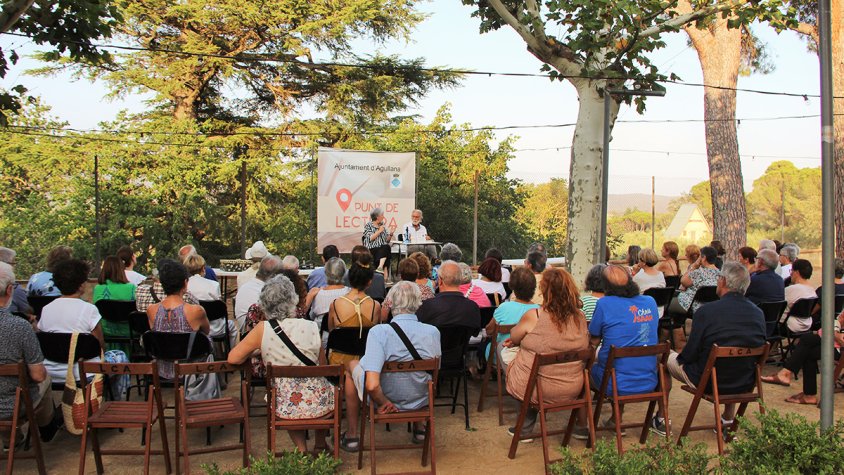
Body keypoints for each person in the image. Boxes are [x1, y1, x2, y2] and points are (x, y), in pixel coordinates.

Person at [228, 275, 333, 454]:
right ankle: (321, 444)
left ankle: (301, 450)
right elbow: (322, 366)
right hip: (319, 402)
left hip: (285, 403)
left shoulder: (263, 328)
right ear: (293, 299)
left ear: (265, 303)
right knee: (324, 384)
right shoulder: (310, 327)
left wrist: (258, 349)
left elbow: (233, 358)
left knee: (287, 392)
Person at [664, 262, 765, 437]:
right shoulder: (758, 313)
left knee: (665, 357)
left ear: (723, 281)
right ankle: (727, 418)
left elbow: (690, 354)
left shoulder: (706, 311)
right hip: (745, 382)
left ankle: (659, 417)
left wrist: (676, 357)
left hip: (708, 380)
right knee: (731, 358)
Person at [339, 281, 441, 452]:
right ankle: (420, 428)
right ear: (418, 303)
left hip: (388, 399)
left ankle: (352, 435)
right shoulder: (433, 332)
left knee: (351, 365)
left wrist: (384, 402)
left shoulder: (379, 332)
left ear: (391, 303)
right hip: (421, 399)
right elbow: (435, 373)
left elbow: (371, 385)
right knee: (420, 372)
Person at [503, 267, 589, 436]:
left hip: (538, 388)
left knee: (504, 351)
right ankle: (580, 425)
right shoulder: (580, 317)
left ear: (544, 290)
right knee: (529, 359)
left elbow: (514, 335)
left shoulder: (534, 315)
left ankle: (525, 425)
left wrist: (516, 342)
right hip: (573, 387)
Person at [583, 265, 659, 436]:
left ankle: (581, 425)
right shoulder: (650, 302)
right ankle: (616, 418)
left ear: (605, 286)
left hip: (612, 382)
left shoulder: (604, 304)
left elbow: (593, 339)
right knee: (622, 361)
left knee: (584, 372)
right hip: (648, 379)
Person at [0, 262, 62, 443]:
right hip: (12, 406)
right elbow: (38, 375)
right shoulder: (20, 326)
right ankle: (46, 429)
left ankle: (11, 440)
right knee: (45, 377)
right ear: (10, 290)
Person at [147, 259, 219, 399]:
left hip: (163, 367)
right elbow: (206, 332)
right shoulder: (196, 311)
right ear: (185, 283)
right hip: (191, 369)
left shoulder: (151, 310)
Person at [37, 259, 105, 384]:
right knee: (118, 356)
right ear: (81, 286)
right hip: (84, 373)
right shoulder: (89, 309)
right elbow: (99, 344)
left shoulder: (46, 310)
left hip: (51, 372)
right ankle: (110, 400)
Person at [761, 310, 844, 405]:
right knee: (807, 341)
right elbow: (839, 319)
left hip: (840, 349)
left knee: (807, 349)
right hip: (836, 342)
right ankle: (792, 379)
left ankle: (791, 378)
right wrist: (836, 333)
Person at [328, 259, 382, 365]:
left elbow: (332, 332)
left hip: (339, 365)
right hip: (366, 363)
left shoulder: (336, 304)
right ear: (370, 281)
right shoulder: (375, 306)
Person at [484, 267, 538, 361]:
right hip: (529, 356)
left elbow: (489, 330)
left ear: (512, 286)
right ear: (533, 287)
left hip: (502, 354)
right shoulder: (539, 310)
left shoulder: (504, 308)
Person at [185, 253, 237, 348]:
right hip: (215, 328)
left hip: (192, 327)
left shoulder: (185, 286)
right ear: (203, 268)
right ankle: (230, 352)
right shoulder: (214, 285)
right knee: (232, 326)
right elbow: (219, 306)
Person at [416, 261, 481, 329]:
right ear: (460, 280)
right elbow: (475, 332)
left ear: (440, 281)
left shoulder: (427, 306)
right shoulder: (473, 307)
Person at [234, 255, 284, 330]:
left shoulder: (245, 287)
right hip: (258, 334)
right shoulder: (267, 292)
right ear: (274, 276)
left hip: (247, 333)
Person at [309, 257, 350, 331]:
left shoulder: (317, 294)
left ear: (326, 273)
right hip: (344, 335)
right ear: (344, 272)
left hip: (320, 335)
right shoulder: (350, 293)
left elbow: (311, 316)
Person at [677, 246, 720, 313]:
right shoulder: (721, 274)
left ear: (704, 258)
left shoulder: (698, 273)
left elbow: (683, 281)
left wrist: (694, 266)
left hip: (695, 306)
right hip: (713, 306)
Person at [781, 259, 816, 333]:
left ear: (797, 272)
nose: (790, 274)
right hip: (807, 324)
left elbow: (779, 305)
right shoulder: (813, 291)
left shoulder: (791, 289)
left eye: (792, 270)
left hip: (789, 325)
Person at [362, 207, 394, 274]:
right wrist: (379, 231)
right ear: (377, 217)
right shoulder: (368, 225)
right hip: (372, 249)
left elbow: (387, 240)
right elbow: (370, 238)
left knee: (386, 247)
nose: (383, 217)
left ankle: (380, 267)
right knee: (386, 251)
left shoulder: (382, 225)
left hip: (382, 249)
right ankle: (385, 275)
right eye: (382, 215)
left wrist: (391, 234)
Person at [0, 247, 31, 315]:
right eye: (13, 263)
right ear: (7, 264)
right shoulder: (15, 289)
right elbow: (27, 311)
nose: (14, 267)